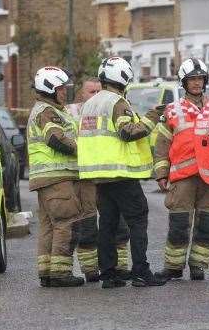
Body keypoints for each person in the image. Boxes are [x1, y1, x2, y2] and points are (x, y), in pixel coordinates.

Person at [77, 57, 166, 288]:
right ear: (124, 78)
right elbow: (128, 132)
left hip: (98, 175)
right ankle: (140, 272)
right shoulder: (117, 102)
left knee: (107, 224)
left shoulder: (90, 104)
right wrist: (152, 117)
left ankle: (109, 274)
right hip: (120, 173)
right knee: (138, 219)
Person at [155, 58, 209, 281]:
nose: (197, 83)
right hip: (183, 177)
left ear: (205, 80)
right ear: (184, 82)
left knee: (207, 225)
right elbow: (162, 145)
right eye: (192, 79)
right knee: (179, 224)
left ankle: (198, 265)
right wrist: (161, 174)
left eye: (200, 78)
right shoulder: (172, 111)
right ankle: (173, 267)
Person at [27, 66, 88, 287]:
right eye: (61, 89)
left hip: (46, 179)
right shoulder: (47, 112)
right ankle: (61, 273)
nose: (64, 92)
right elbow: (55, 138)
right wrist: (82, 150)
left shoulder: (47, 109)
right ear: (50, 89)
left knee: (49, 226)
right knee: (66, 222)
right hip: (57, 178)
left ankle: (47, 272)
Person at [67, 78, 133, 281]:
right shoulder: (70, 113)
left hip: (109, 175)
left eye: (98, 91)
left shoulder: (111, 107)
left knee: (118, 223)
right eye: (91, 92)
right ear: (81, 94)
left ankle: (120, 266)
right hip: (84, 177)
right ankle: (90, 270)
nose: (95, 95)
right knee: (87, 225)